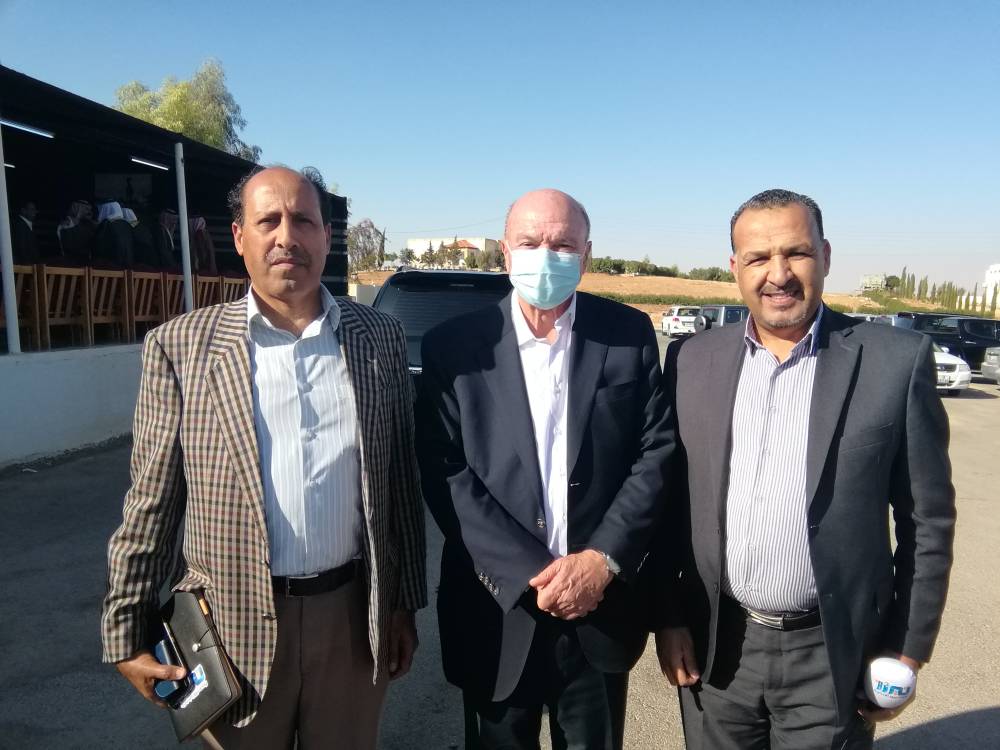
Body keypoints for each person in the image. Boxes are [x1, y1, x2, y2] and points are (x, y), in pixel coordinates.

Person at [101, 165, 426, 749]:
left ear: (326, 235)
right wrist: (125, 628)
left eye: (303, 220)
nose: (286, 237)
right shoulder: (182, 347)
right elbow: (151, 499)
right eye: (268, 220)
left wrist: (403, 605)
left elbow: (400, 482)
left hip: (353, 621)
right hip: (228, 628)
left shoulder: (377, 337)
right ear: (239, 236)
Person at [652, 188, 955, 749]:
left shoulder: (894, 362)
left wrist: (905, 650)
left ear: (826, 256)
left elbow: (927, 522)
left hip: (832, 654)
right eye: (758, 258)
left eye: (796, 252)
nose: (779, 274)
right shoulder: (693, 360)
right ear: (735, 268)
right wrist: (668, 617)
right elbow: (670, 506)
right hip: (718, 647)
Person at [417, 188, 674, 750]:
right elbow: (445, 470)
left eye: (562, 245)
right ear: (505, 253)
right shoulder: (454, 347)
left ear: (586, 255)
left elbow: (655, 452)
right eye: (530, 242)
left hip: (598, 610)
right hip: (495, 611)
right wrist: (535, 573)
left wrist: (601, 561)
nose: (546, 256)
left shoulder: (627, 334)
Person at [95, 201, 134, 268]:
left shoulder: (106, 223)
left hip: (110, 265)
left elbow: (99, 244)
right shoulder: (127, 224)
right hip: (127, 265)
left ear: (107, 210)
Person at [57, 199, 96, 264]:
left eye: (90, 209)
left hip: (86, 263)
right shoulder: (65, 225)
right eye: (86, 209)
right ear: (78, 208)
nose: (90, 212)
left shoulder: (89, 225)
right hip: (69, 263)